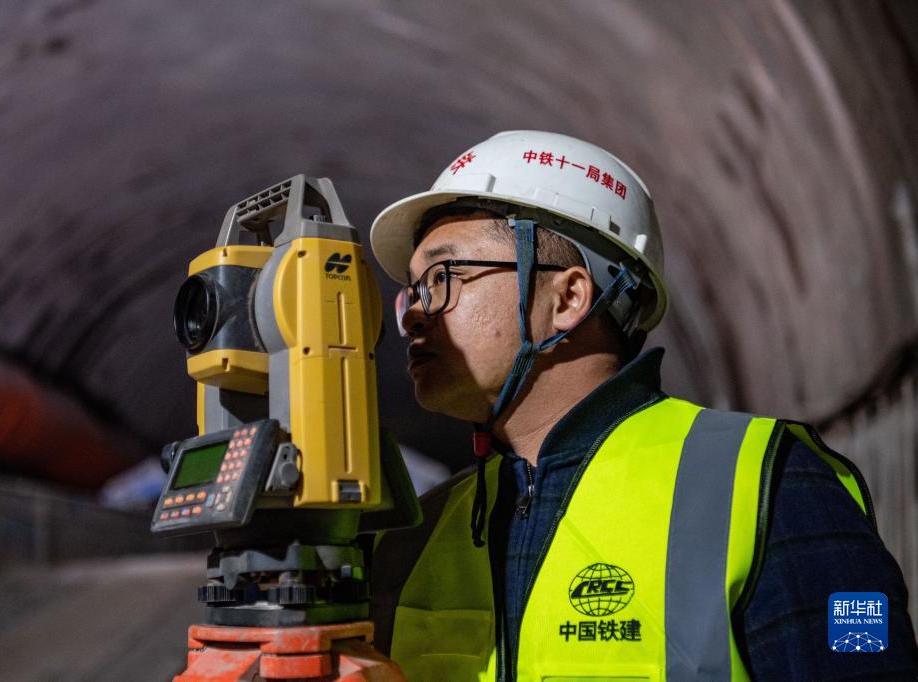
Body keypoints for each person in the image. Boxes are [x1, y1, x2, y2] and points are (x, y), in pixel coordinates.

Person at [366, 131, 918, 680]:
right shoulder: (419, 532)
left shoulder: (768, 483)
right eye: (412, 291)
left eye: (442, 277)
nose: (414, 314)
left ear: (568, 298)